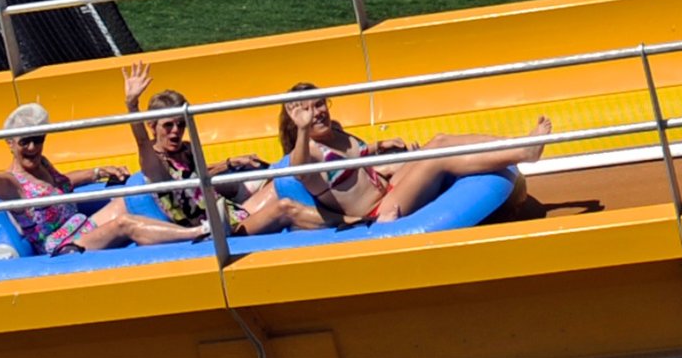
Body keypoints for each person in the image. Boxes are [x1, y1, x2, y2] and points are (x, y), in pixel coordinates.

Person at [0, 101, 206, 255]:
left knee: (125, 199)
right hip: (61, 247)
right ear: (10, 144)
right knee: (124, 223)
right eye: (25, 142)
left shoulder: (42, 166)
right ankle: (197, 233)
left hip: (79, 226)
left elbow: (62, 184)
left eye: (38, 140)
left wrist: (98, 171)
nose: (33, 148)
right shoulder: (12, 182)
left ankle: (191, 216)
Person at [278, 83, 550, 224]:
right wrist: (302, 130)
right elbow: (298, 168)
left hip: (389, 189)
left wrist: (378, 149)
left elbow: (359, 162)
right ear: (296, 119)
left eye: (320, 104)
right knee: (436, 159)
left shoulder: (335, 133)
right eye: (307, 110)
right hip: (380, 211)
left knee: (438, 141)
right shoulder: (309, 151)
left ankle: (518, 145)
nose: (317, 113)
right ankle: (523, 153)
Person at [123, 64, 320, 236]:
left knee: (278, 178)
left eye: (181, 125)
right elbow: (141, 141)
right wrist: (132, 105)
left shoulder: (185, 149)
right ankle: (341, 221)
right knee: (285, 207)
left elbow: (195, 176)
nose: (176, 131)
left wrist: (229, 163)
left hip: (230, 213)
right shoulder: (154, 163)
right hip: (219, 230)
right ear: (152, 125)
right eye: (168, 125)